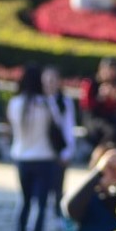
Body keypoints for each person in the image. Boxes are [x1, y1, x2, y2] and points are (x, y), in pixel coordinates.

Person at [7, 63, 57, 231]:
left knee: (24, 200)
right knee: (41, 204)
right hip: (44, 157)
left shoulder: (15, 103)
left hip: (22, 156)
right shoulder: (45, 104)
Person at [43, 66, 78, 222]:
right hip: (41, 152)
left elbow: (68, 127)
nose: (50, 83)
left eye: (53, 79)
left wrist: (68, 151)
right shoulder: (38, 101)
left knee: (58, 189)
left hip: (59, 151)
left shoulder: (65, 102)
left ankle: (58, 219)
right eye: (47, 79)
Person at [81, 58, 116, 152]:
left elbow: (113, 109)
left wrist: (112, 98)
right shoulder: (90, 83)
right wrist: (100, 97)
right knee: (111, 131)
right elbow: (86, 106)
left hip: (108, 117)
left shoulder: (113, 84)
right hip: (93, 118)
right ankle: (99, 154)